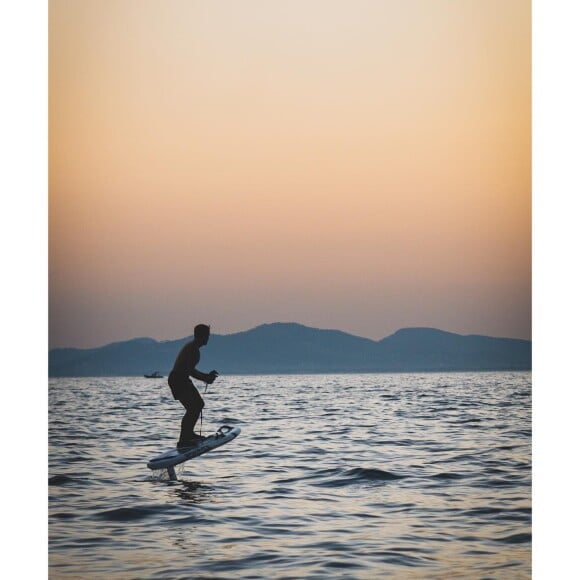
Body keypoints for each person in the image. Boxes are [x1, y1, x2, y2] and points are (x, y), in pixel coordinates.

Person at [168, 324, 218, 448]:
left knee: (197, 405)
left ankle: (187, 435)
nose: (208, 338)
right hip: (178, 380)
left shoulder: (193, 348)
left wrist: (206, 377)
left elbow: (190, 370)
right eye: (207, 336)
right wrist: (206, 378)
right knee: (194, 407)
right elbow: (190, 370)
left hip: (181, 379)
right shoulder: (193, 350)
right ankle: (185, 438)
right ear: (201, 336)